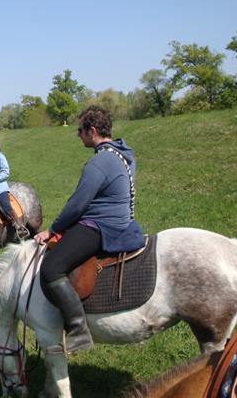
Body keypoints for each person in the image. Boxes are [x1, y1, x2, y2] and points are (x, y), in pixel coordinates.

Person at [34, 106, 144, 353]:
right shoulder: (123, 154)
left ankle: (78, 329)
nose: (78, 135)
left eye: (80, 130)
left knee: (51, 268)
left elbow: (77, 204)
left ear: (92, 131)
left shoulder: (99, 162)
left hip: (101, 226)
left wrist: (52, 229)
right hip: (121, 221)